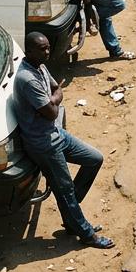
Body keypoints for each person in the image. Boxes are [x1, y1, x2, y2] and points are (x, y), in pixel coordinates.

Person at [13, 32, 114, 249]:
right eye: (42, 49)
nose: (47, 52)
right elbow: (51, 112)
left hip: (55, 133)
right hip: (43, 143)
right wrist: (51, 103)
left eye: (48, 47)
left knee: (94, 159)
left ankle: (71, 218)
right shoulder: (27, 78)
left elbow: (57, 90)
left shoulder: (39, 66)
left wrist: (52, 100)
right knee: (65, 188)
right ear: (28, 51)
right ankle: (86, 234)